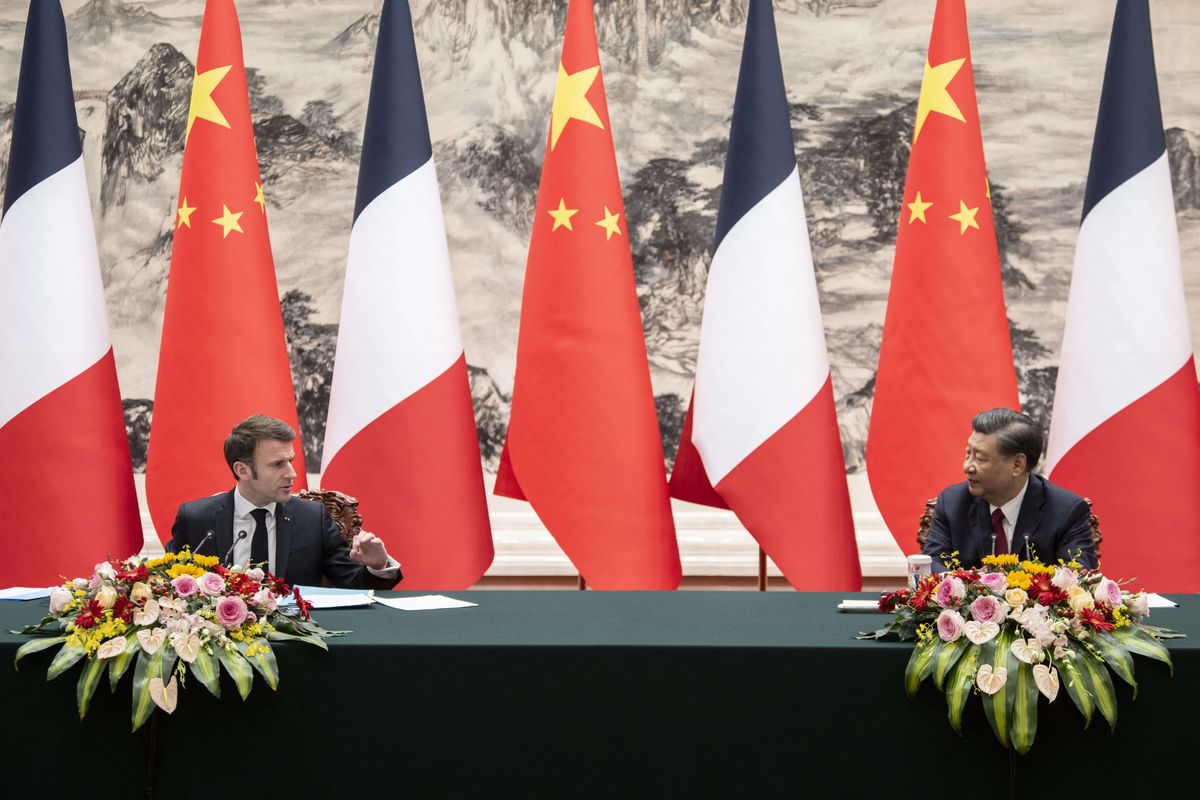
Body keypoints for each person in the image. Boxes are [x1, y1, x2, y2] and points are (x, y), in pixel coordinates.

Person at [167, 415, 402, 589]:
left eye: (290, 460)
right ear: (243, 470)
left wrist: (377, 566)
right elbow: (171, 584)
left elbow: (353, 584)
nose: (292, 473)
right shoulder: (196, 519)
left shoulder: (312, 518)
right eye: (278, 464)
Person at [922, 408, 1097, 571]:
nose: (967, 466)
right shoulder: (952, 503)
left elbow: (1075, 578)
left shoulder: (1066, 511)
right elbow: (932, 566)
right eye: (968, 454)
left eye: (980, 458)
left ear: (1017, 464)